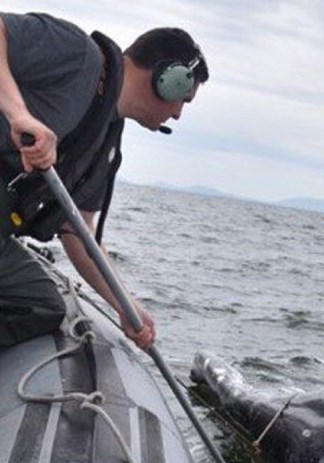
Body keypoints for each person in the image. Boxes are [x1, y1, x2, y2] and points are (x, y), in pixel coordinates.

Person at [0, 12, 209, 350]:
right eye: (183, 98)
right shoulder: (78, 54)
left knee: (42, 306)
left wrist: (125, 305)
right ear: (168, 79)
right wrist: (18, 114)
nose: (178, 115)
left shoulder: (104, 144)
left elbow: (80, 232)